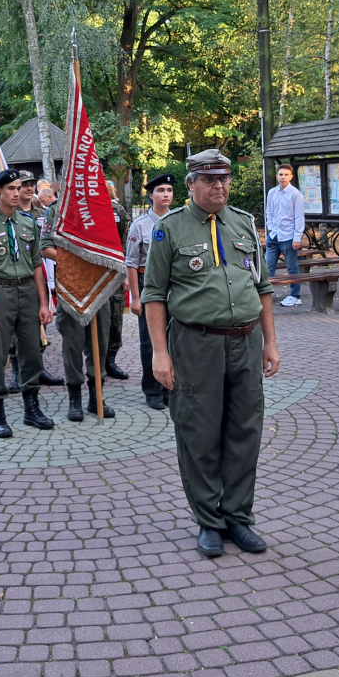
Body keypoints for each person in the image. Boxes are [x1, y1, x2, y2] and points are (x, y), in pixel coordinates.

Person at [142, 149, 280, 559]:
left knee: (244, 429)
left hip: (245, 340)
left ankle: (237, 516)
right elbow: (153, 295)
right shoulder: (170, 229)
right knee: (199, 431)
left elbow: (263, 287)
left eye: (224, 179)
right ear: (191, 184)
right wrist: (160, 355)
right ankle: (209, 520)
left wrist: (270, 342)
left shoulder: (243, 223)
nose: (218, 186)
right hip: (196, 343)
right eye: (209, 180)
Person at [0, 169, 54, 438]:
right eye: (11, 188)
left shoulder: (29, 223)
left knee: (31, 351)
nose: (17, 193)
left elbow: (37, 266)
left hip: (28, 294)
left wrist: (44, 303)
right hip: (0, 293)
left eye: (19, 188)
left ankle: (31, 409)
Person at [40, 199, 114, 421]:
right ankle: (75, 398)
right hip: (71, 287)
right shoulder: (56, 210)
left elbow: (113, 245)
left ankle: (96, 396)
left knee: (99, 344)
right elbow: (45, 247)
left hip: (99, 286)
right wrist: (75, 260)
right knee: (72, 345)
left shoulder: (101, 205)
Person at [7, 170, 63, 391]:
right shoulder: (8, 213)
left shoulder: (43, 212)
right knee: (14, 327)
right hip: (16, 276)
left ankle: (38, 368)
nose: (29, 188)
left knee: (40, 322)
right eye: (24, 185)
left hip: (42, 273)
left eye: (31, 184)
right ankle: (17, 373)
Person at [126, 173, 174, 411]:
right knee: (150, 341)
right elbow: (132, 263)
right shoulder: (140, 225)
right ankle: (153, 390)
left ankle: (170, 386)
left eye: (169, 190)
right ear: (150, 195)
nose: (165, 194)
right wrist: (135, 297)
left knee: (174, 338)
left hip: (174, 286)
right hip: (148, 284)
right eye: (160, 190)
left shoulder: (179, 221)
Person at [265, 163, 306, 307]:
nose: (283, 177)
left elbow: (299, 217)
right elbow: (269, 212)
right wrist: (270, 229)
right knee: (267, 266)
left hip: (289, 237)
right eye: (281, 174)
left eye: (286, 175)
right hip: (274, 235)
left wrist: (297, 238)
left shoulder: (296, 194)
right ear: (277, 176)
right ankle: (265, 294)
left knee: (292, 267)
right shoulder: (272, 192)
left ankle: (295, 295)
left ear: (291, 177)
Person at [105, 180, 132, 380]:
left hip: (114, 272)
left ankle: (110, 359)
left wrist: (125, 274)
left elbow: (126, 245)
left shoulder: (118, 211)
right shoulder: (84, 210)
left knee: (115, 318)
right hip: (91, 274)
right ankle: (93, 361)